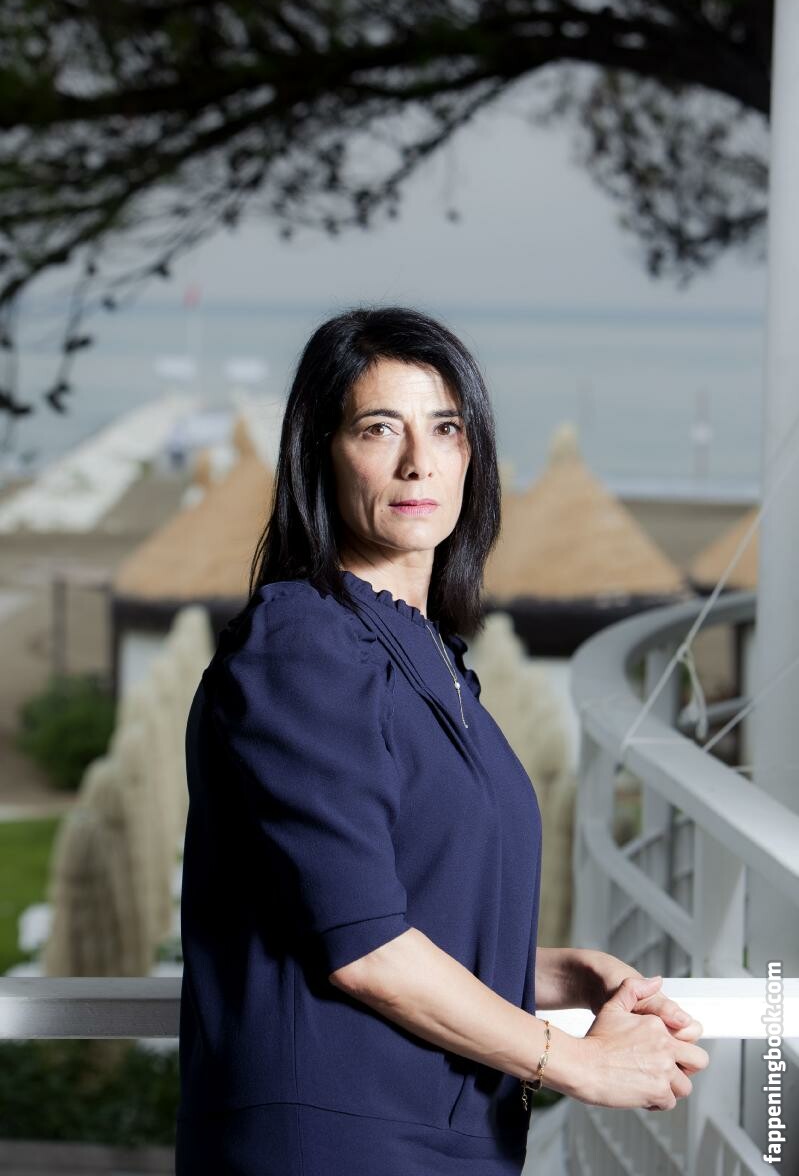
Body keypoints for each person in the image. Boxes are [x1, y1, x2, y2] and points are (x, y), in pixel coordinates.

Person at [175, 305, 709, 1175]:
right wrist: (580, 1062)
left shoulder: (432, 659)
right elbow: (363, 950)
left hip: (440, 1135)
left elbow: (389, 911)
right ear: (320, 452)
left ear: (472, 456)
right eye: (378, 428)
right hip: (336, 1143)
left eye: (445, 428)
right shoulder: (304, 643)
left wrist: (557, 974)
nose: (418, 461)